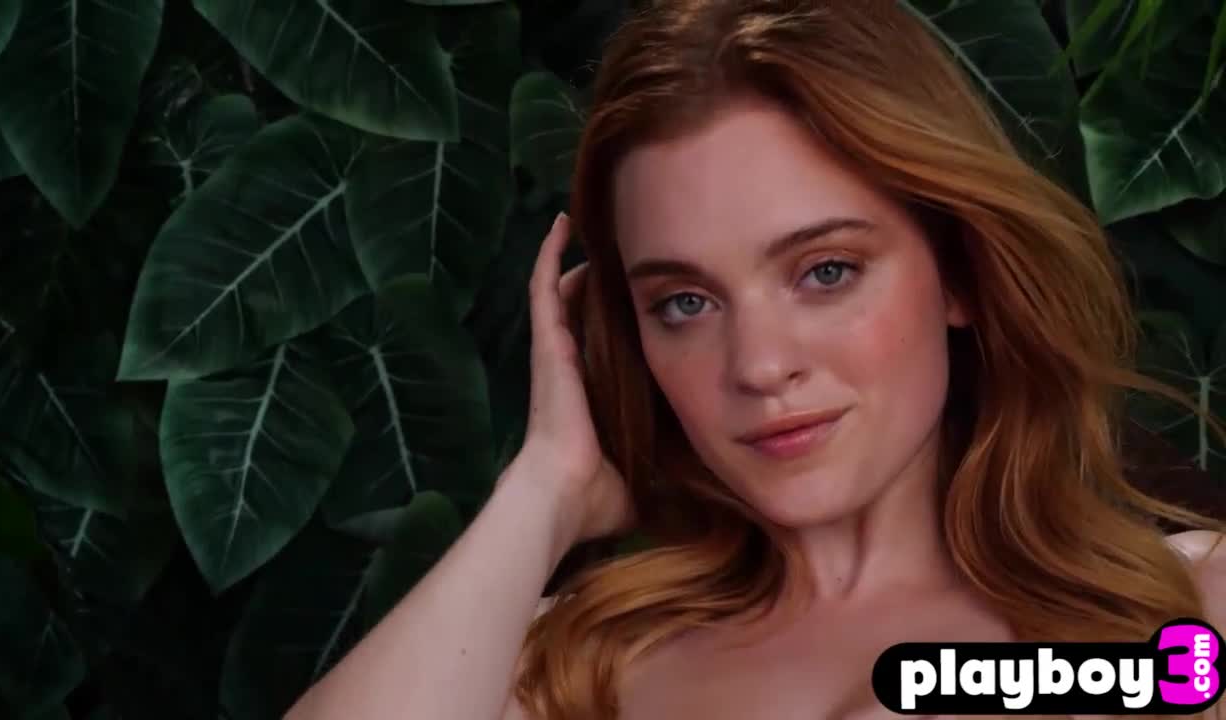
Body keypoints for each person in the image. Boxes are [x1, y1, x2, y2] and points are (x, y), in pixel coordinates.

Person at [285, 1, 1226, 718]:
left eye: (826, 271)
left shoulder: (1187, 621)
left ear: (958, 273)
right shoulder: (571, 660)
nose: (761, 366)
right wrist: (547, 487)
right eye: (685, 303)